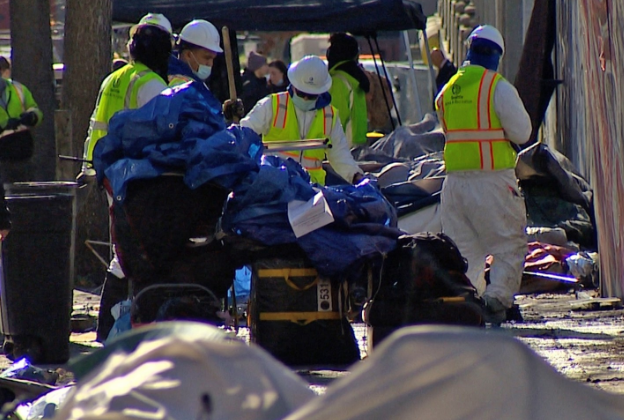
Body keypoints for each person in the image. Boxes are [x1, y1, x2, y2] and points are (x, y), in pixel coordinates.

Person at [79, 12, 173, 342]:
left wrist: (90, 167)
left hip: (110, 173)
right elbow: (164, 135)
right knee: (130, 253)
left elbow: (97, 125)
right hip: (134, 178)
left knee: (122, 250)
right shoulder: (152, 85)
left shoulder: (115, 78)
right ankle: (115, 327)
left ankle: (112, 327)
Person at [435, 25, 531, 324]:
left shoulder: (447, 90)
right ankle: (496, 301)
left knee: (465, 252)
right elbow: (523, 132)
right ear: (496, 55)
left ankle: (467, 305)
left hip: (454, 185)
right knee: (508, 244)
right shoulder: (497, 87)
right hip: (491, 181)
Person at [240, 55, 363, 186]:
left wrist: (356, 176)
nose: (305, 99)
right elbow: (243, 134)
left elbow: (340, 155)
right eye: (301, 93)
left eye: (310, 95)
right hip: (275, 188)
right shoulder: (272, 105)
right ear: (293, 85)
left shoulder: (329, 115)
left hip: (312, 192)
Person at [168, 19, 243, 120]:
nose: (210, 64)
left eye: (213, 58)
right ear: (188, 55)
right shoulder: (181, 85)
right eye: (207, 58)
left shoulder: (194, 82)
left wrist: (224, 114)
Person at [327, 33, 370, 147]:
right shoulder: (354, 78)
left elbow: (335, 119)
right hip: (357, 142)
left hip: (343, 147)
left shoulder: (338, 81)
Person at [240, 51, 270, 116]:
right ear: (258, 67)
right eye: (265, 65)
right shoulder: (248, 84)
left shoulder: (262, 82)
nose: (267, 68)